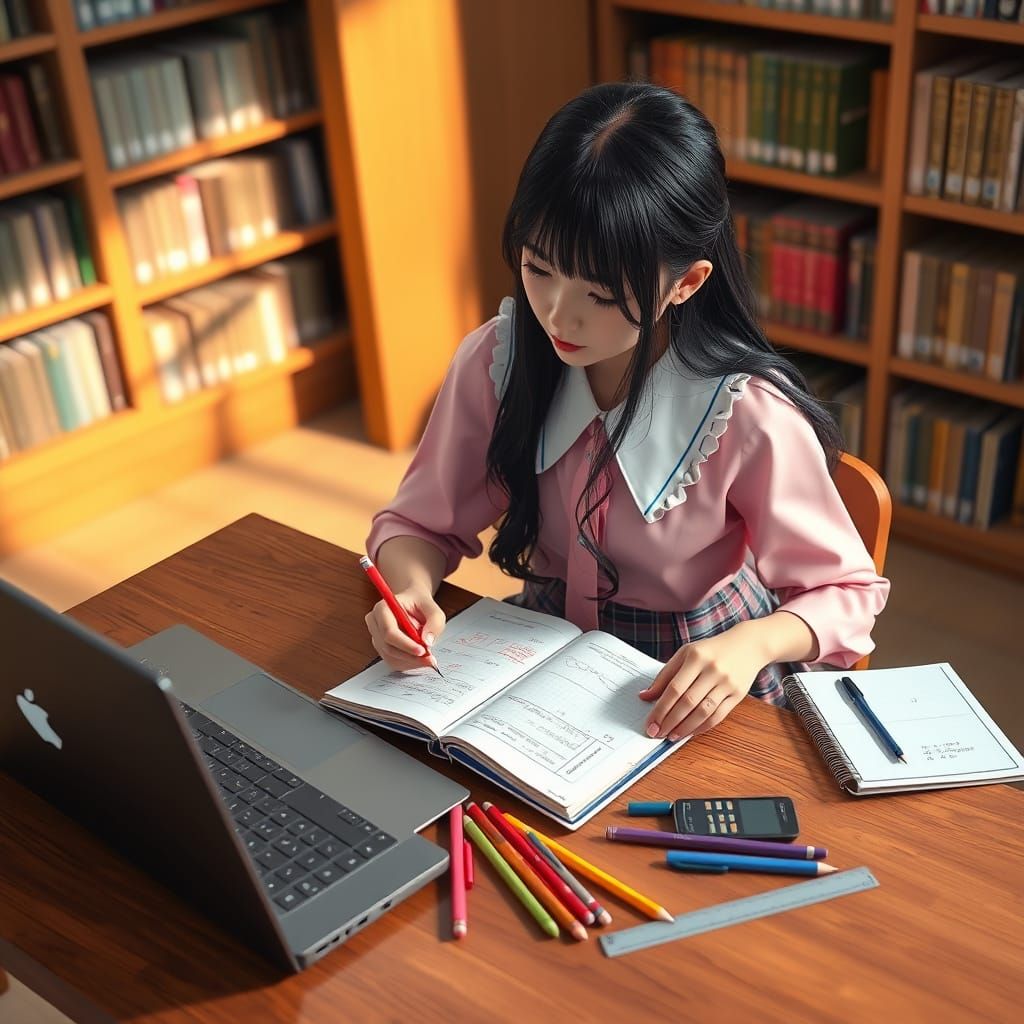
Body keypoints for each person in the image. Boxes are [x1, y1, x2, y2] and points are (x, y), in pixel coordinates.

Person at [363, 81, 889, 743]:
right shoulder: (499, 360)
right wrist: (409, 590)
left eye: (600, 293)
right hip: (543, 663)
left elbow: (848, 591)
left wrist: (753, 645)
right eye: (538, 268)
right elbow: (417, 522)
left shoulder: (745, 414)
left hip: (700, 685)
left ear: (686, 283)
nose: (558, 313)